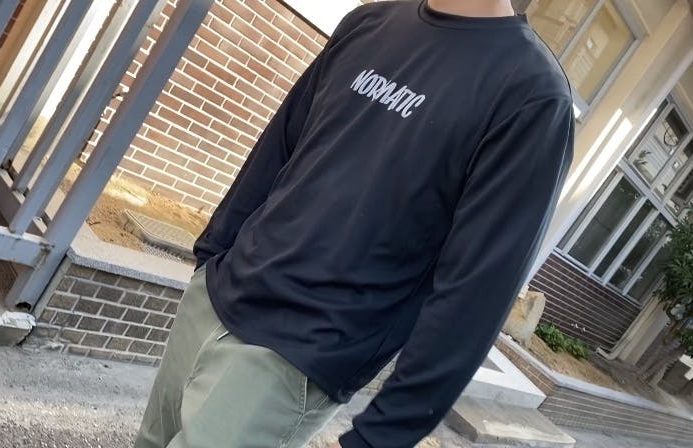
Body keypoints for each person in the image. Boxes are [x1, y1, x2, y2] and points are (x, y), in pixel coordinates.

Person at [134, 0, 574, 446]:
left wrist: (380, 435)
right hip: (214, 296)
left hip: (296, 356)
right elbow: (280, 147)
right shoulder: (370, 22)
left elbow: (475, 294)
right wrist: (212, 256)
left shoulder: (533, 96)